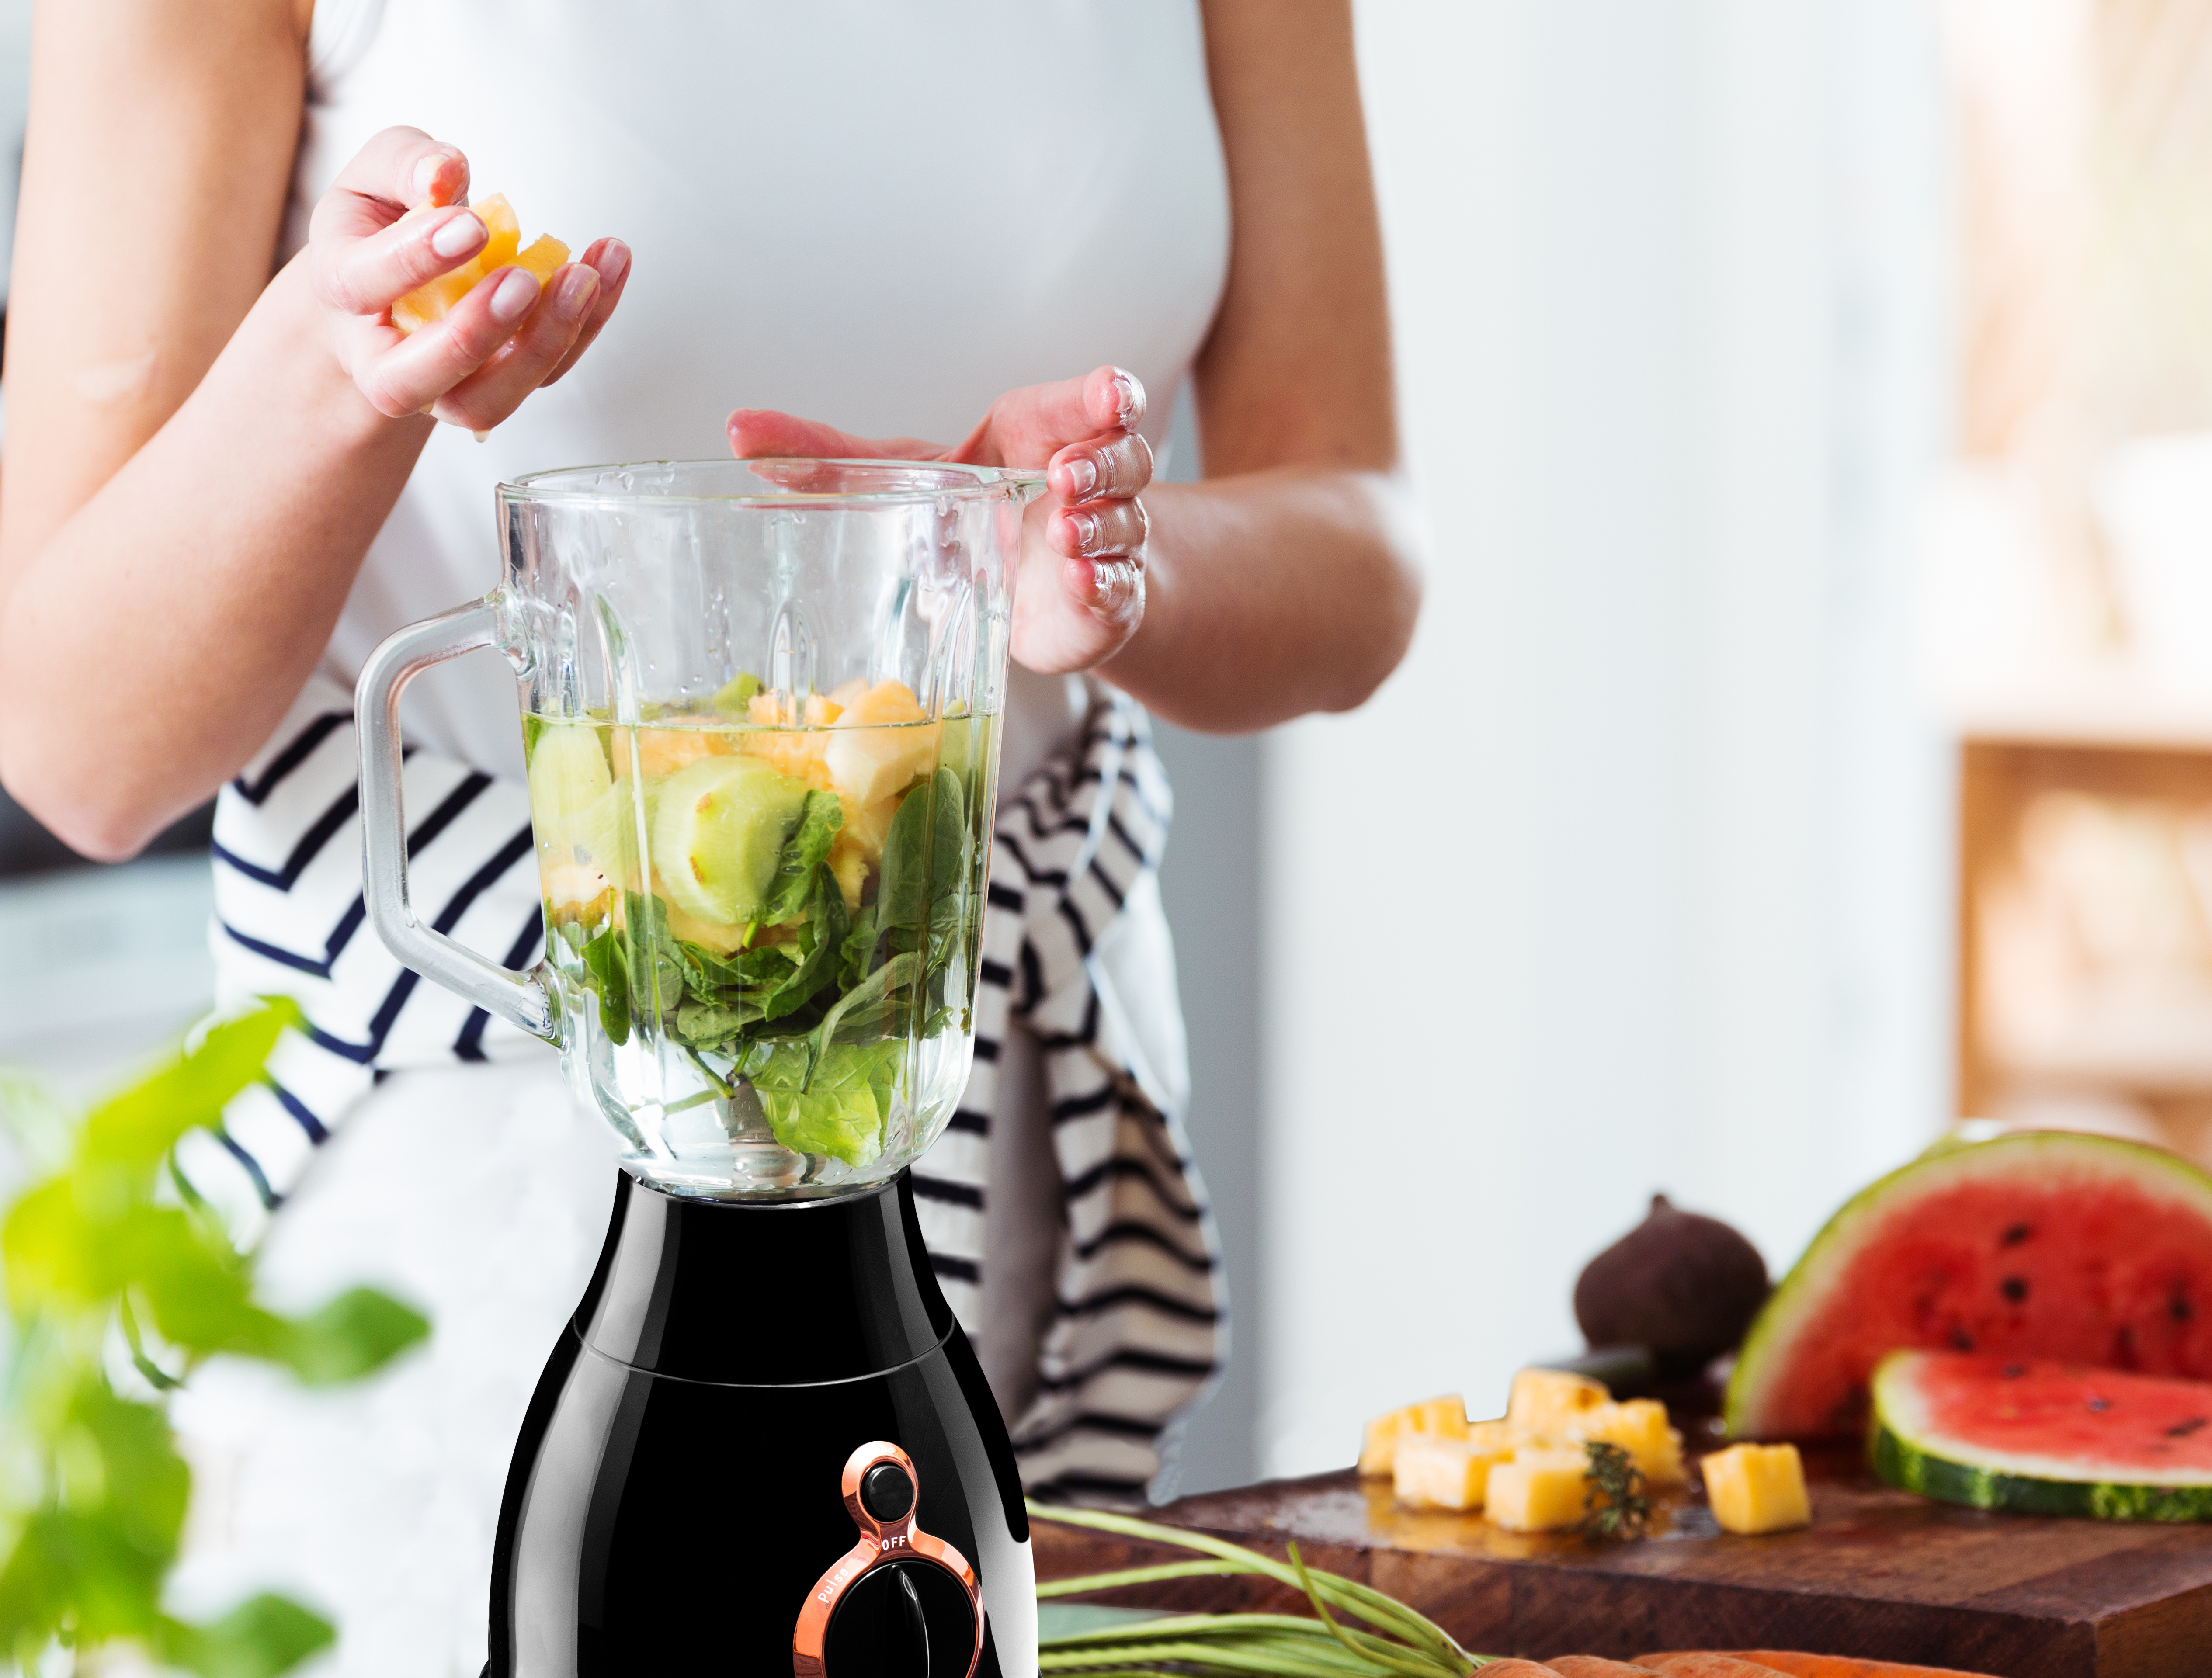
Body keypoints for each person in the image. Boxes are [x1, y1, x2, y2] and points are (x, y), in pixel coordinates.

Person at [0, 1, 1420, 1671]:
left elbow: (1358, 539)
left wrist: (1113, 563)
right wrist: (347, 374)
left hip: (1004, 1169)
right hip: (475, 1252)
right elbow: (75, 742)